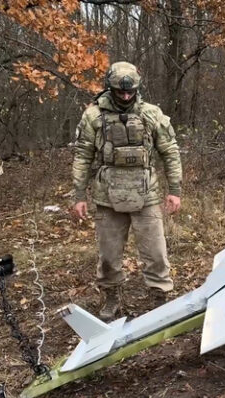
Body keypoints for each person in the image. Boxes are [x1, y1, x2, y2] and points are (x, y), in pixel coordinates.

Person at [72, 61, 182, 320]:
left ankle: (159, 296)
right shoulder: (93, 116)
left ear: (137, 88)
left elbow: (170, 152)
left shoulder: (152, 114)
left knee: (155, 252)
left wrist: (175, 189)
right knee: (109, 255)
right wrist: (78, 195)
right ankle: (111, 297)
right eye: (119, 92)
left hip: (146, 193)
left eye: (129, 91)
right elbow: (82, 156)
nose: (125, 96)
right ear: (109, 88)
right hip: (107, 196)